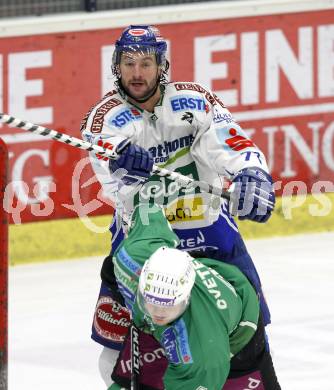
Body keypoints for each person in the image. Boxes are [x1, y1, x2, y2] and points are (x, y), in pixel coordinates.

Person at [80, 25, 276, 388]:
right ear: (116, 66)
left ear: (162, 65)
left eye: (146, 63)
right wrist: (121, 161)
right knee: (114, 350)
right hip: (144, 243)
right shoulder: (103, 117)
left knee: (250, 333)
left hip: (210, 231)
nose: (137, 73)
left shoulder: (194, 99)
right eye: (128, 63)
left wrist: (252, 171)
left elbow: (229, 140)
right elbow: (106, 160)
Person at [108, 204, 281, 389]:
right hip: (188, 320)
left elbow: (200, 358)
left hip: (234, 339)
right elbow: (148, 211)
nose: (158, 313)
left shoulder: (204, 355)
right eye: (150, 302)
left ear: (186, 299)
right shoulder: (132, 257)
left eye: (167, 306)